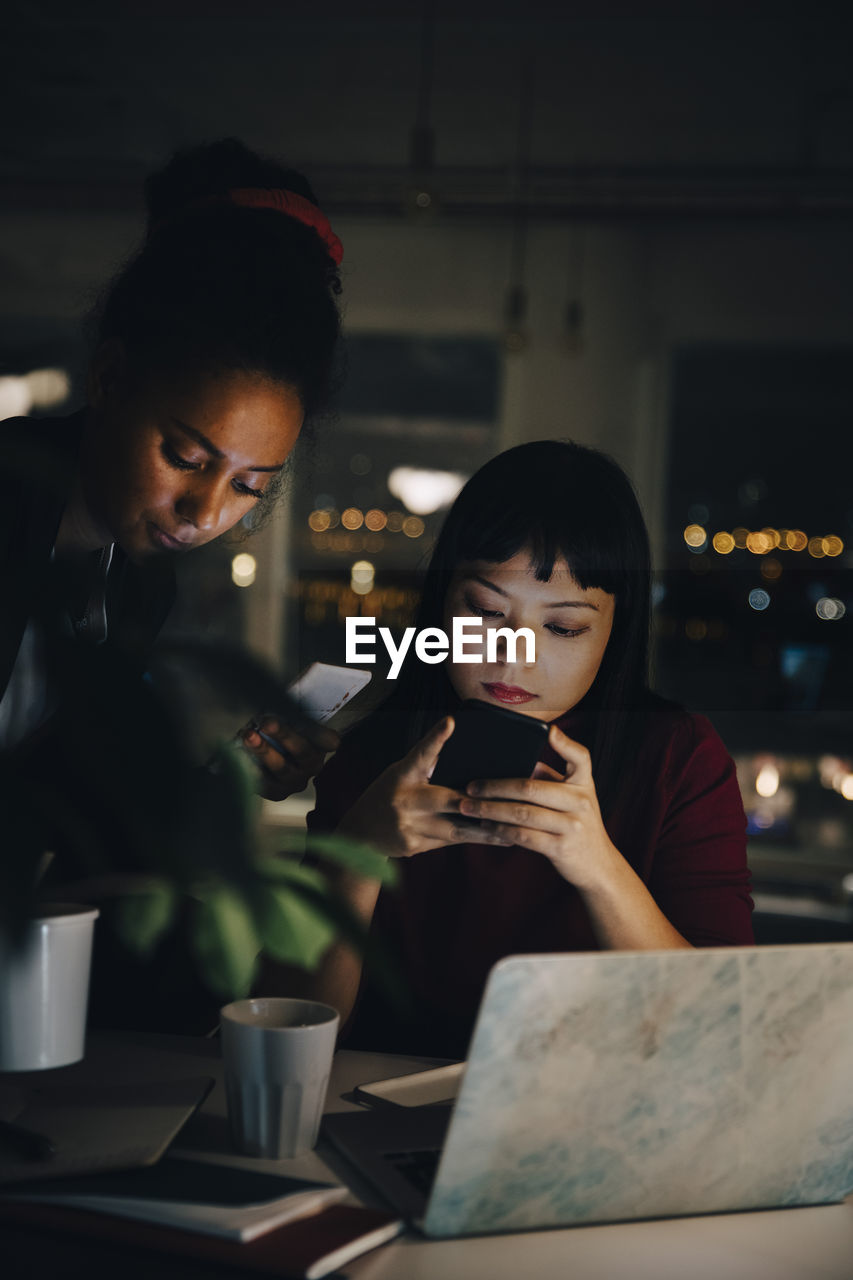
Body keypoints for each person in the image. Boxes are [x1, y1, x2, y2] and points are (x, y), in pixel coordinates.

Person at [0, 138, 345, 1029]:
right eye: (186, 457)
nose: (203, 511)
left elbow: (69, 810)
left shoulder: (134, 587)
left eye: (249, 487)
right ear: (110, 377)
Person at [302, 440, 754, 1059]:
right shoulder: (375, 756)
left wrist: (598, 867)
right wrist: (355, 855)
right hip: (371, 1117)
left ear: (613, 634)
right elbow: (290, 1033)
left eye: (563, 627)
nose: (514, 653)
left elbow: (718, 1031)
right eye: (486, 612)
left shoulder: (678, 760)